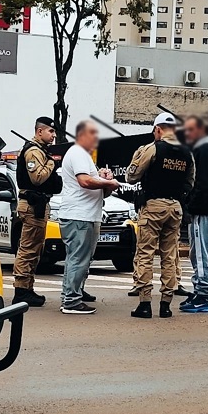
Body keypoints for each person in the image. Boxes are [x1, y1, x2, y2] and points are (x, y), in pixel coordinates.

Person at [126, 111, 194, 319]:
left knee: (145, 253)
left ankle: (145, 304)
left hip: (153, 206)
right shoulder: (187, 152)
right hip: (175, 207)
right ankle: (166, 305)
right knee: (169, 255)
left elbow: (131, 176)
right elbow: (190, 183)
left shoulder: (153, 148)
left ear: (158, 129)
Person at [57, 119, 119, 315]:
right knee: (78, 257)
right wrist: (107, 182)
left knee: (81, 257)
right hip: (79, 215)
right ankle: (71, 301)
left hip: (86, 215)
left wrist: (106, 182)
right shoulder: (78, 153)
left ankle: (73, 293)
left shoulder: (84, 156)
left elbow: (97, 188)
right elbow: (84, 181)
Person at [9, 117, 61, 307]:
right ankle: (21, 290)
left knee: (35, 249)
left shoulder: (40, 151)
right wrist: (51, 164)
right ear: (40, 131)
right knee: (28, 249)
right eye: (51, 132)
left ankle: (27, 289)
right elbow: (37, 178)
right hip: (31, 205)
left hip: (37, 205)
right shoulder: (33, 151)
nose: (53, 136)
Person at [180, 115, 208, 313]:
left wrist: (190, 205)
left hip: (202, 211)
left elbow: (203, 184)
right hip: (206, 209)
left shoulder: (203, 151)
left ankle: (202, 295)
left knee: (200, 252)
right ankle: (199, 290)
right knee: (197, 251)